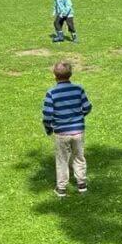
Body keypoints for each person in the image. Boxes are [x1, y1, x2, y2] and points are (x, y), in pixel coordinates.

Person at [42, 61, 93, 198]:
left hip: (61, 133)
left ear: (55, 76)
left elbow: (47, 115)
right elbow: (87, 107)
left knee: (62, 160)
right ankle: (82, 185)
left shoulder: (51, 93)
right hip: (78, 131)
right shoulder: (78, 89)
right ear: (70, 74)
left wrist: (49, 128)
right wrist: (79, 117)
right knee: (79, 157)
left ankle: (61, 189)